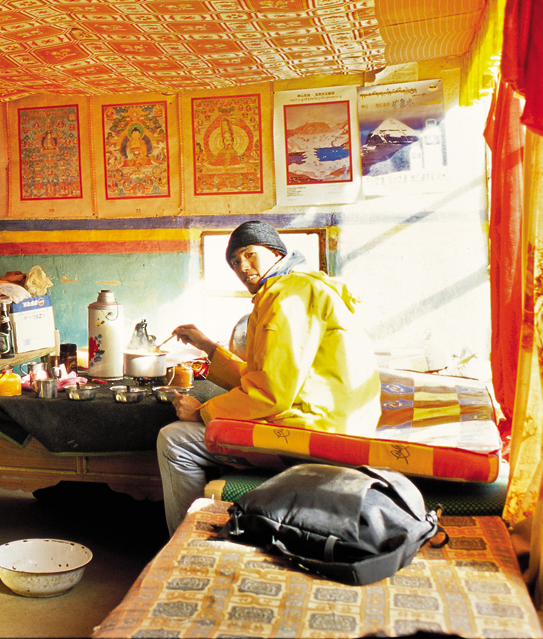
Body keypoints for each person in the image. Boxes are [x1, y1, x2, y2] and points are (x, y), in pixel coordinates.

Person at [156, 220, 381, 534]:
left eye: (250, 255)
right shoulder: (300, 287)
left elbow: (271, 393)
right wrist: (208, 347)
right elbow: (261, 378)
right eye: (235, 262)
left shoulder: (287, 296)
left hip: (317, 434)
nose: (243, 267)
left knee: (174, 440)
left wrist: (203, 413)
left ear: (276, 252)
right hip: (334, 421)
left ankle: (188, 541)